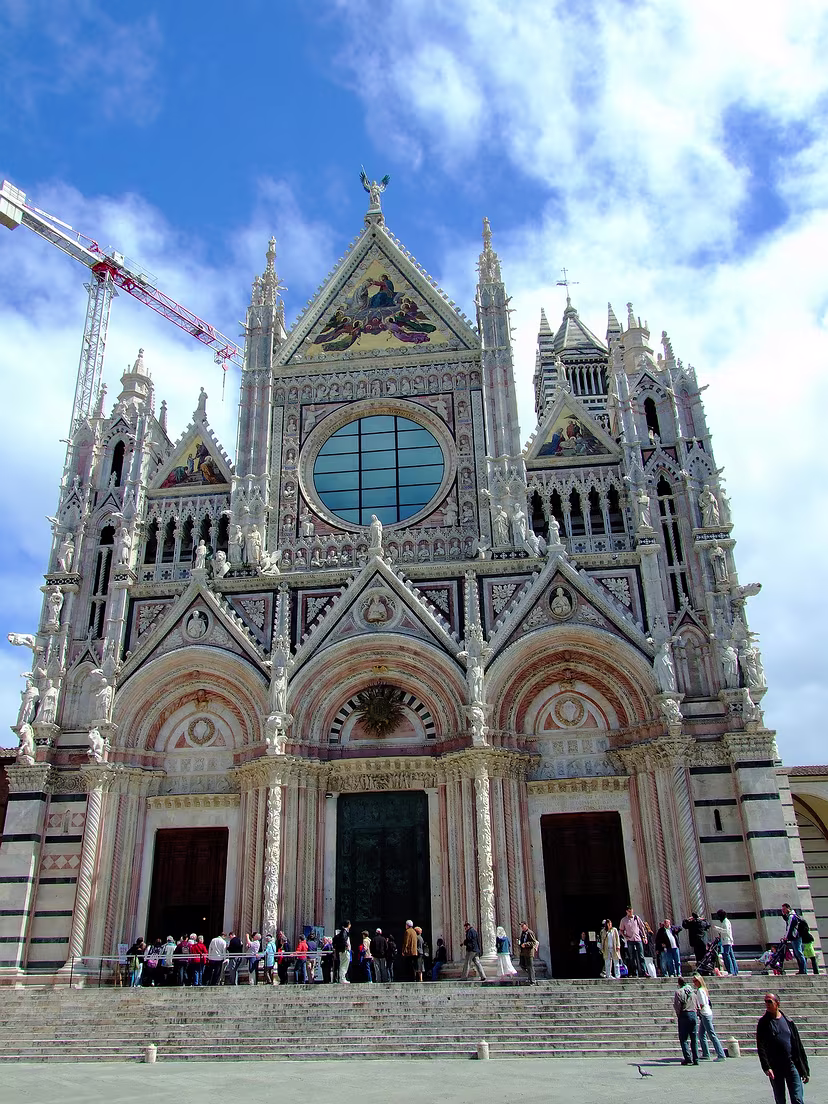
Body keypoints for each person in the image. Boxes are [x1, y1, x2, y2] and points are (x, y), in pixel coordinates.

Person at [757, 992, 810, 1103]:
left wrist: (805, 1069)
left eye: (769, 1001)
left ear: (777, 1003)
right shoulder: (763, 1023)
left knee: (797, 1098)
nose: (767, 1004)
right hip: (775, 1066)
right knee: (780, 1099)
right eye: (765, 1001)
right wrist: (766, 1067)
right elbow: (761, 1047)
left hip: (791, 1063)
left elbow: (798, 1046)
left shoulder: (788, 1021)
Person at [692, 974, 726, 1060]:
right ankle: (706, 1053)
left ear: (699, 981)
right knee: (701, 1034)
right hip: (707, 1012)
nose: (694, 983)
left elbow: (702, 1003)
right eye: (693, 981)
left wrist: (697, 1009)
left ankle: (721, 1054)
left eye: (695, 981)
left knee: (712, 1035)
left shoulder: (700, 990)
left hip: (705, 1013)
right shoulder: (704, 989)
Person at [673, 975, 699, 1065]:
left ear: (679, 983)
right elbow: (697, 1004)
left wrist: (678, 1014)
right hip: (693, 1014)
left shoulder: (678, 992)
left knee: (683, 1038)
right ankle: (696, 1059)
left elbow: (677, 1005)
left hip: (684, 1014)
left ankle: (688, 1058)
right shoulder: (692, 991)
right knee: (694, 1038)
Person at [620, 906, 647, 977]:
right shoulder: (624, 920)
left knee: (641, 956)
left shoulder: (636, 918)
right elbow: (621, 930)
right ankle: (634, 972)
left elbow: (642, 927)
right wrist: (625, 937)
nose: (631, 912)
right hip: (630, 940)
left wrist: (644, 937)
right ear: (626, 911)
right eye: (629, 911)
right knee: (632, 957)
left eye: (631, 910)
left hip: (638, 939)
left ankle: (644, 971)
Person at [781, 904, 807, 975]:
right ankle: (802, 970)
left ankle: (803, 970)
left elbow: (790, 928)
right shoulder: (793, 915)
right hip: (795, 937)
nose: (783, 911)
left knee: (799, 953)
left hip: (795, 937)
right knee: (797, 953)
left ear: (788, 908)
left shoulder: (792, 916)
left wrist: (786, 937)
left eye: (784, 909)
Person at [713, 909, 738, 975]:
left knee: (726, 955)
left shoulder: (725, 922)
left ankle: (731, 971)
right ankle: (735, 971)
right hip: (726, 940)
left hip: (726, 941)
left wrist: (717, 928)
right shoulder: (725, 921)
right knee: (731, 956)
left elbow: (726, 930)